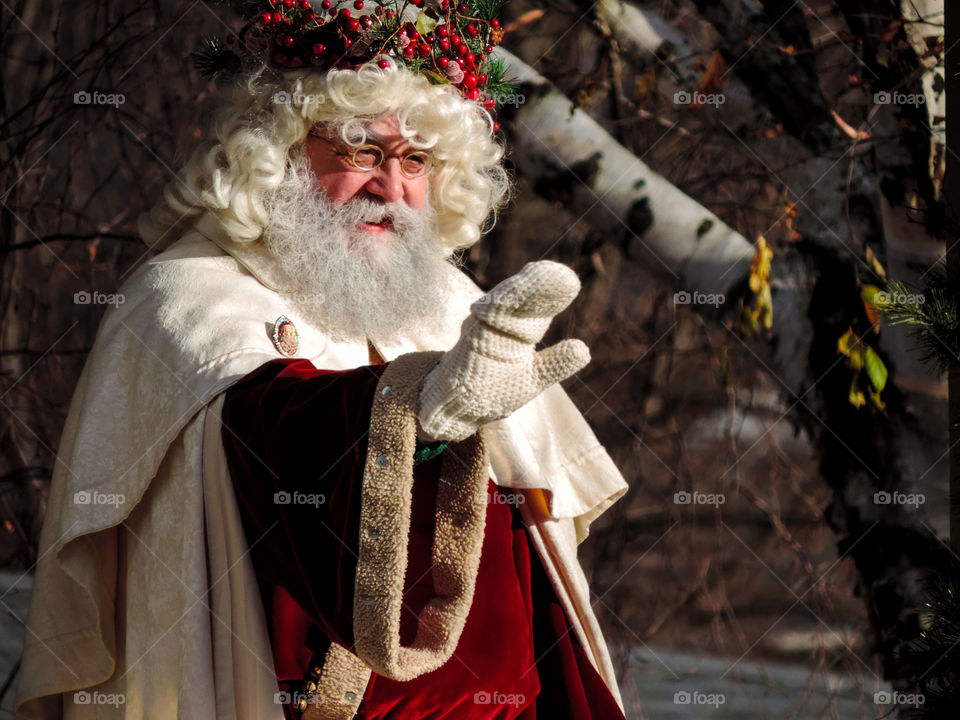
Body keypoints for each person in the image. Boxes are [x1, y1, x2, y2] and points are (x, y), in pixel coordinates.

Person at [13, 3, 628, 718]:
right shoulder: (183, 296)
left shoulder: (454, 303)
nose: (391, 186)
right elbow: (267, 430)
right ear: (277, 153)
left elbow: (542, 555)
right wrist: (417, 414)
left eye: (417, 161)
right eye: (362, 151)